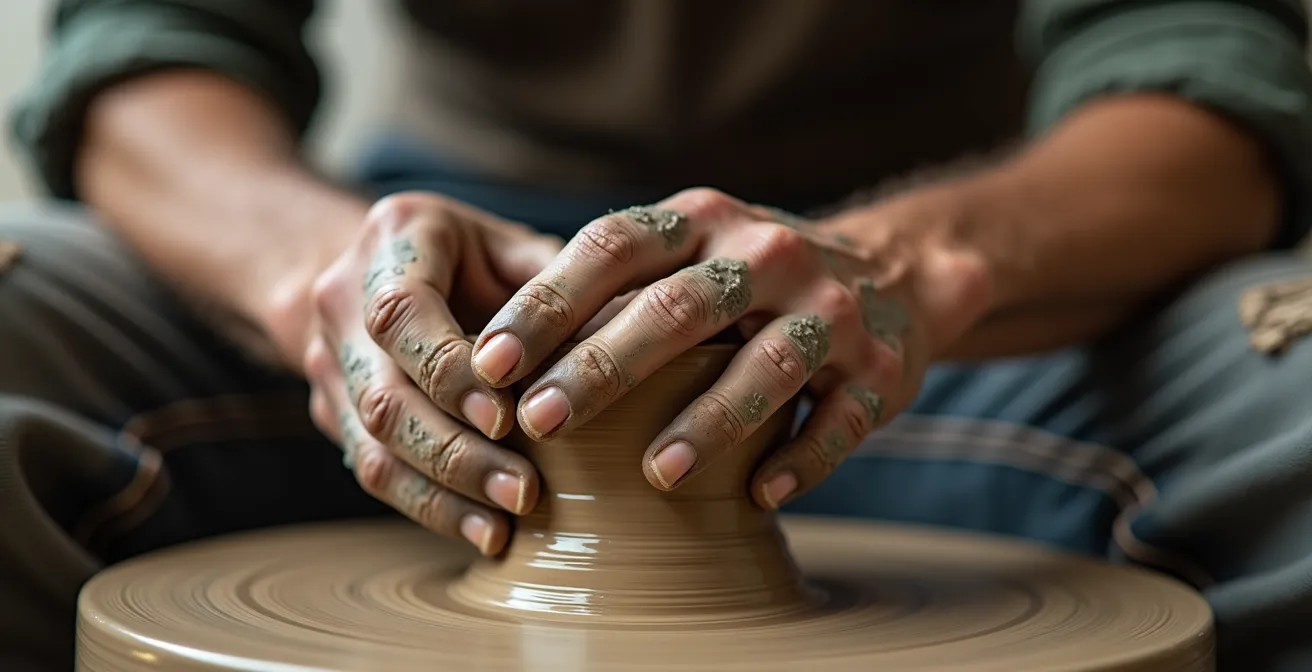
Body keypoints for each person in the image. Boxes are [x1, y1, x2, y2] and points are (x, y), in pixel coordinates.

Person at [3, 0, 1312, 669]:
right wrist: (321, 282)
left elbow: (1204, 73)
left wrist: (907, 266)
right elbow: (150, 44)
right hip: (456, 302)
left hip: (958, 301)